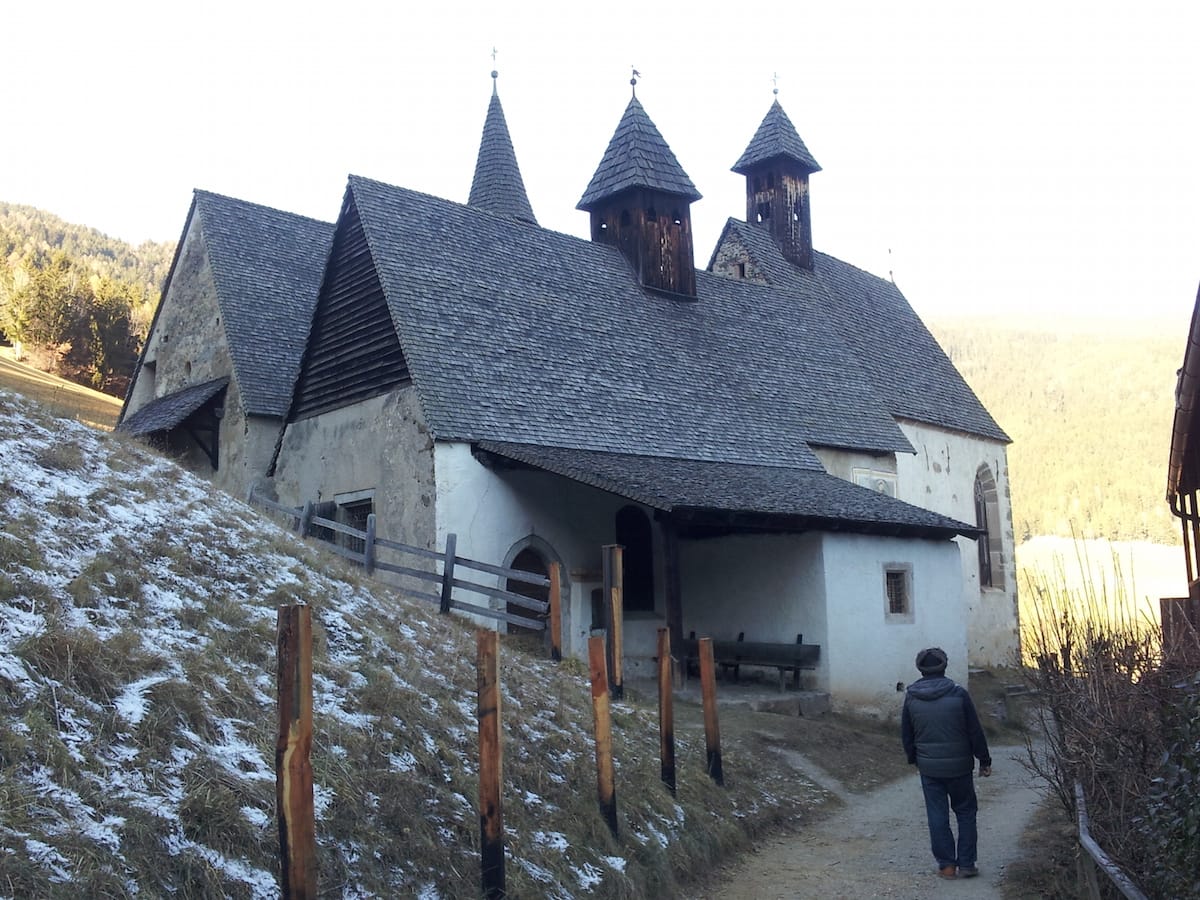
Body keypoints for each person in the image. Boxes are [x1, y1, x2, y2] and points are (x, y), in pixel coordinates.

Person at [901, 647, 992, 880]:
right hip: (960, 766)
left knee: (936, 814)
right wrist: (984, 760)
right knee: (965, 811)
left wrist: (914, 758)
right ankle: (967, 864)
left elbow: (907, 735)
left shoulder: (911, 697)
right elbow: (974, 731)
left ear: (920, 669)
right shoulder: (958, 694)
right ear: (944, 667)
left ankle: (947, 866)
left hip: (929, 768)